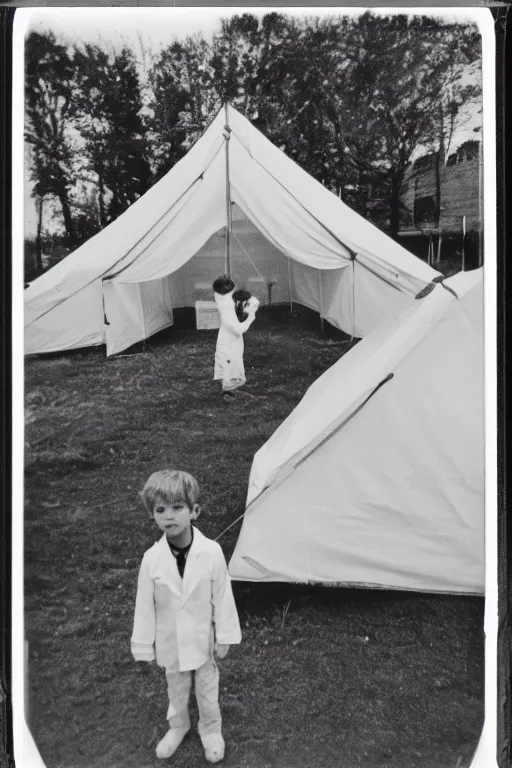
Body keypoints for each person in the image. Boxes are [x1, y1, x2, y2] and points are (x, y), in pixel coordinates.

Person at [131, 469, 242, 763]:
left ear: (194, 511)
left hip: (202, 639)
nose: (169, 516)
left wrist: (225, 635)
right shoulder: (151, 559)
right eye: (160, 509)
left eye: (178, 507)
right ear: (152, 514)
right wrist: (144, 644)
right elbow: (144, 605)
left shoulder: (212, 552)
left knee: (207, 689)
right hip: (170, 642)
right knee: (176, 688)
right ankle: (178, 726)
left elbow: (222, 595)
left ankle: (211, 730)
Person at [212, 275, 259, 400]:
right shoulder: (226, 309)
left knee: (232, 363)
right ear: (223, 291)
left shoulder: (222, 298)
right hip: (229, 339)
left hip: (230, 339)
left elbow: (233, 300)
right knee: (230, 364)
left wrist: (245, 301)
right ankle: (227, 392)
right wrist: (250, 317)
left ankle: (229, 390)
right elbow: (239, 329)